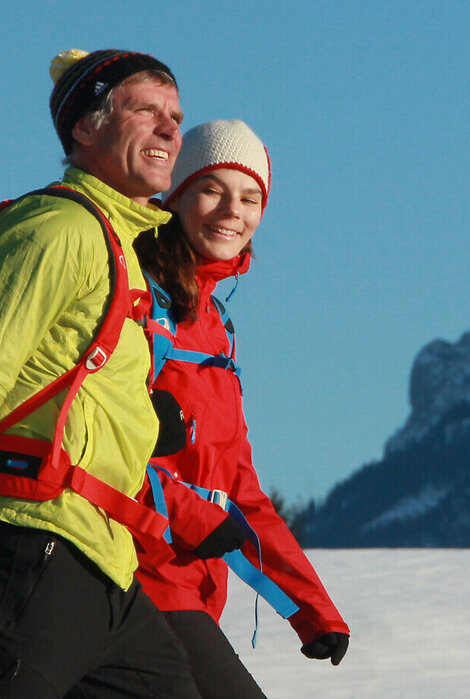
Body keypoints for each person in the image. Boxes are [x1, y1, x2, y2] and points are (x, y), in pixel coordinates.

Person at [0, 49, 198, 698]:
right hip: (30, 544)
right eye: (145, 111)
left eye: (175, 116)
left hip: (100, 561)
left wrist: (139, 415)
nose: (168, 129)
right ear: (86, 127)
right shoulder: (57, 229)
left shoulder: (122, 245)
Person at [136, 120, 350, 699]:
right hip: (135, 575)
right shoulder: (138, 301)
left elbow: (238, 488)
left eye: (250, 197)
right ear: (173, 194)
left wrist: (310, 607)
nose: (232, 210)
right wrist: (192, 514)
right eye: (212, 189)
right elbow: (98, 443)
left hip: (194, 587)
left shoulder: (214, 327)